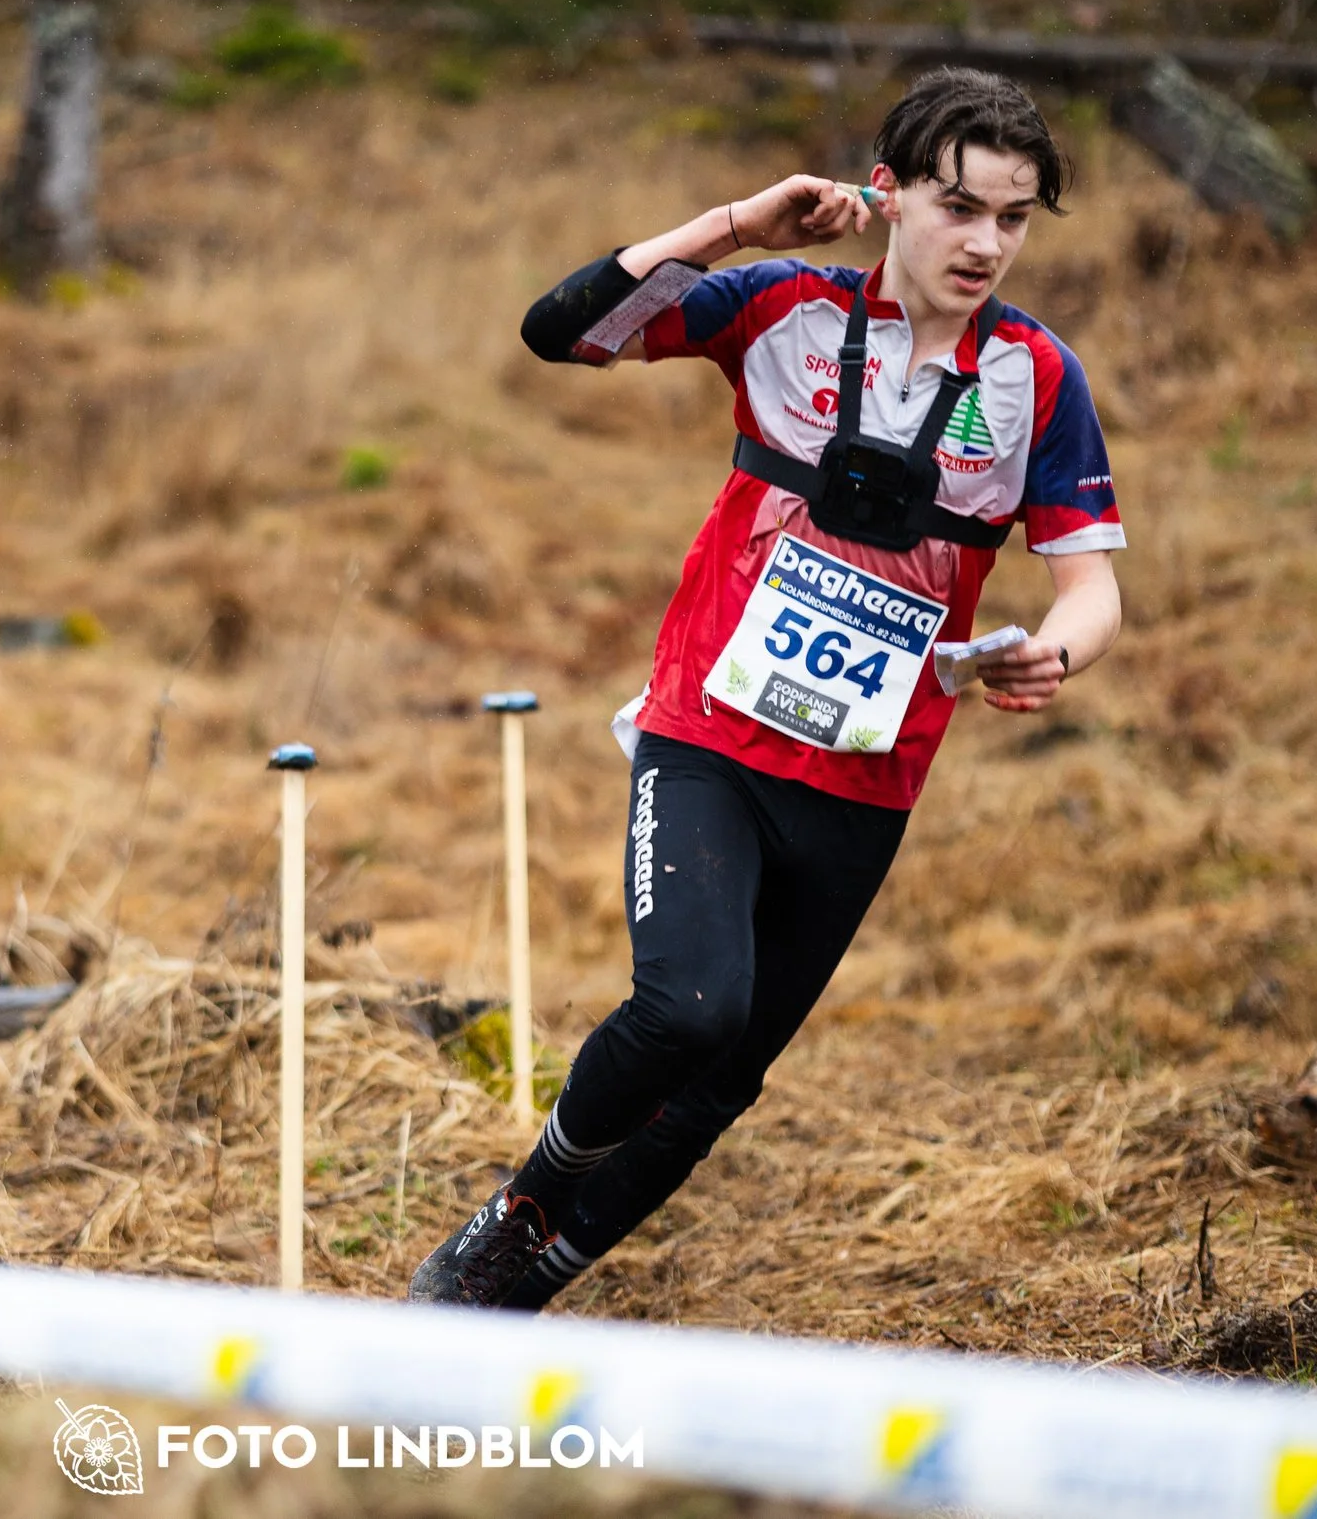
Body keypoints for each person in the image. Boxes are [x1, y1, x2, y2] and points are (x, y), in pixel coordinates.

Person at [410, 68, 1125, 1311]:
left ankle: (517, 1292)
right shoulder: (783, 305)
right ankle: (525, 1200)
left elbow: (1093, 587)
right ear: (886, 192)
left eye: (1013, 219)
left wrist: (1054, 650)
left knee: (718, 1081)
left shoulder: (1037, 378)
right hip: (710, 733)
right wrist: (734, 224)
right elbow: (562, 329)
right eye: (959, 207)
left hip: (866, 779)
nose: (985, 243)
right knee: (688, 1009)